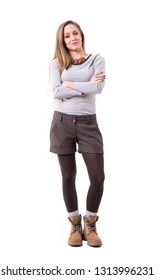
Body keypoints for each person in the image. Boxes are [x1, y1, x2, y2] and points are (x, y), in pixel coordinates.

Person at [49, 20, 106, 247]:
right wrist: (82, 84)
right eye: (67, 36)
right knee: (68, 176)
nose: (72, 38)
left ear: (81, 35)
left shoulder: (96, 60)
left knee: (98, 177)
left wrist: (69, 84)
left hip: (88, 124)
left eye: (75, 33)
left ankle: (90, 223)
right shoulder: (57, 63)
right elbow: (54, 91)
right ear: (62, 41)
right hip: (61, 122)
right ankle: (74, 224)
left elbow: (99, 88)